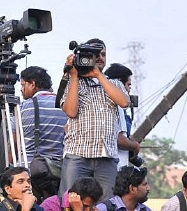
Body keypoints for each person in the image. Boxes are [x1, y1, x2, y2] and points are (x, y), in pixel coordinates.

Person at [59, 39, 131, 201]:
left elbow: (124, 102)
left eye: (103, 54)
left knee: (107, 207)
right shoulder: (74, 82)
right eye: (94, 54)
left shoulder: (114, 83)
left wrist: (98, 74)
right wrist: (74, 74)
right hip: (77, 155)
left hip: (107, 156)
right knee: (69, 203)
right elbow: (71, 111)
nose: (99, 58)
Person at [18, 65, 66, 202]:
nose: (21, 90)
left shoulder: (24, 107)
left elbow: (14, 143)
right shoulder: (65, 105)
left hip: (31, 176)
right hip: (61, 174)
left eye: (23, 85)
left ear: (32, 84)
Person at [103, 63, 141, 169]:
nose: (129, 89)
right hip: (114, 167)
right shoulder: (115, 106)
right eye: (128, 85)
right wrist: (134, 146)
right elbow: (118, 139)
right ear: (119, 82)